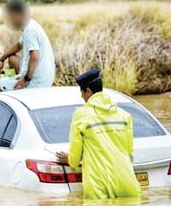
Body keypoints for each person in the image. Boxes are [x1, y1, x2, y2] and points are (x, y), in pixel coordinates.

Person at [56, 69, 141, 199]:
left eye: (82, 92)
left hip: (98, 185)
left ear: (88, 91)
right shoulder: (124, 115)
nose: (81, 97)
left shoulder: (81, 115)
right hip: (127, 182)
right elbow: (128, 151)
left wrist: (71, 158)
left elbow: (74, 160)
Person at [0, 0, 55, 94]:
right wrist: (2, 58)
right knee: (12, 58)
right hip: (47, 75)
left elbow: (35, 57)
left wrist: (25, 79)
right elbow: (18, 45)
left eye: (11, 17)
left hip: (37, 82)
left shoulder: (29, 31)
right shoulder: (31, 24)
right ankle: (13, 84)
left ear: (18, 15)